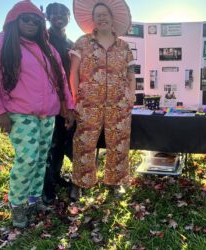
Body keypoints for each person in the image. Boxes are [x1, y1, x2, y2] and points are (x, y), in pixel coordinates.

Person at [0, 0, 74, 228]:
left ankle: (33, 199)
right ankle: (18, 206)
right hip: (19, 113)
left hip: (47, 114)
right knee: (27, 159)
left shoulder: (47, 49)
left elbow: (61, 80)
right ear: (14, 20)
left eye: (36, 20)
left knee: (41, 159)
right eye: (25, 19)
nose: (31, 23)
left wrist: (67, 107)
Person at [70, 0, 135, 197]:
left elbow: (131, 75)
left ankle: (115, 182)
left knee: (119, 142)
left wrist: (130, 97)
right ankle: (80, 182)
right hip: (88, 104)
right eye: (97, 15)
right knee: (84, 143)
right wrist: (75, 100)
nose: (102, 17)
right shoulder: (82, 42)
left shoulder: (124, 46)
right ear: (93, 20)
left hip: (119, 104)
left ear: (112, 17)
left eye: (105, 13)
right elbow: (73, 73)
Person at [42, 2, 75, 204]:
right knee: (49, 144)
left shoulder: (71, 43)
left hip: (68, 99)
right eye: (53, 13)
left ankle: (56, 176)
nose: (58, 16)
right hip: (48, 100)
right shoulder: (42, 40)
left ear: (68, 18)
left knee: (63, 140)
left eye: (63, 13)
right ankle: (46, 186)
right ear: (47, 17)